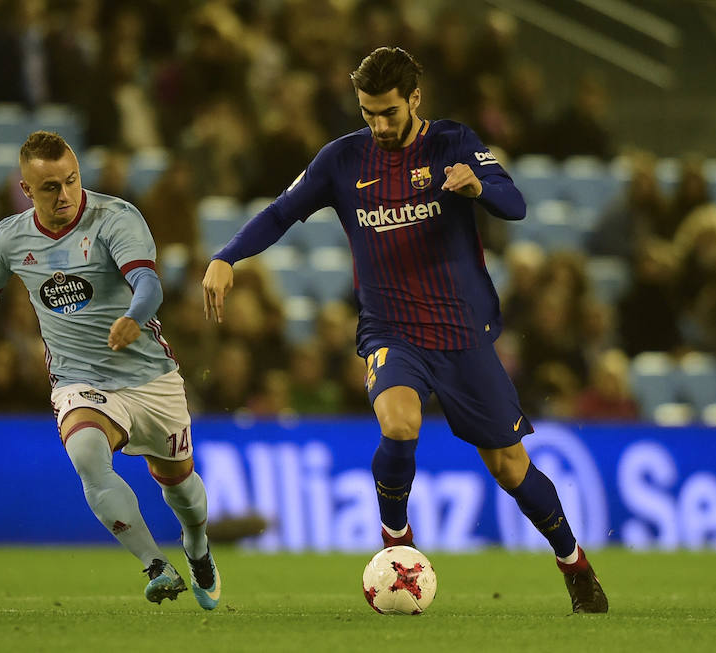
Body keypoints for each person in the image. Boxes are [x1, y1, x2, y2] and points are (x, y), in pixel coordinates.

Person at [202, 47, 607, 614]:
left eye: (388, 112)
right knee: (399, 423)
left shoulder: (454, 143)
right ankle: (397, 541)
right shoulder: (341, 161)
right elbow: (280, 212)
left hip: (462, 332)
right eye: (368, 112)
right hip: (391, 329)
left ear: (415, 98)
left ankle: (573, 563)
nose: (378, 124)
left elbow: (514, 204)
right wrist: (227, 256)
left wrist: (478, 189)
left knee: (510, 467)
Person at [0, 131, 220, 610]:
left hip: (150, 377)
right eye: (49, 188)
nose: (64, 195)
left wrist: (134, 316)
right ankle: (155, 565)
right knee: (87, 454)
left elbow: (148, 282)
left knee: (183, 489)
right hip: (79, 380)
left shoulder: (115, 218)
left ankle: (197, 548)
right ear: (26, 190)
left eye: (71, 180)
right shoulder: (10, 237)